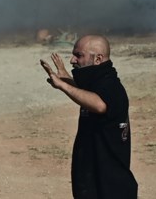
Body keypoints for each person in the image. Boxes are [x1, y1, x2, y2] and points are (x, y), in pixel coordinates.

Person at [40, 34, 139, 199]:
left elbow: (99, 105)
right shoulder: (97, 82)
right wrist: (66, 79)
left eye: (79, 55)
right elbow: (86, 95)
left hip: (110, 186)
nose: (72, 60)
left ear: (98, 59)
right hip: (92, 179)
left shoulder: (111, 84)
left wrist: (64, 85)